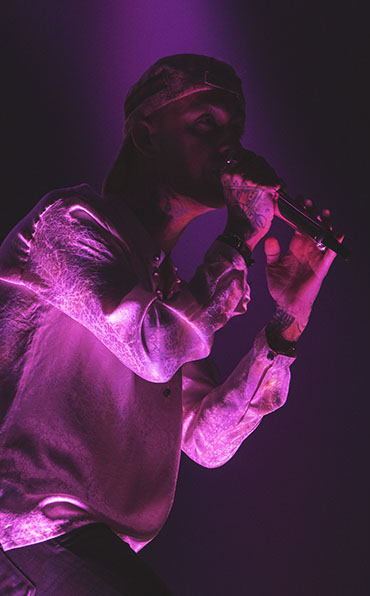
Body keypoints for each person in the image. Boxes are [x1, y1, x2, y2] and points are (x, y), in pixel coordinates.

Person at [0, 54, 341, 594]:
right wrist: (239, 238)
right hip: (24, 529)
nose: (230, 147)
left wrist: (288, 320)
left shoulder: (166, 289)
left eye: (236, 131)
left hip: (88, 545)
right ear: (144, 135)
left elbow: (206, 440)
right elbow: (155, 349)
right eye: (206, 123)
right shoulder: (69, 224)